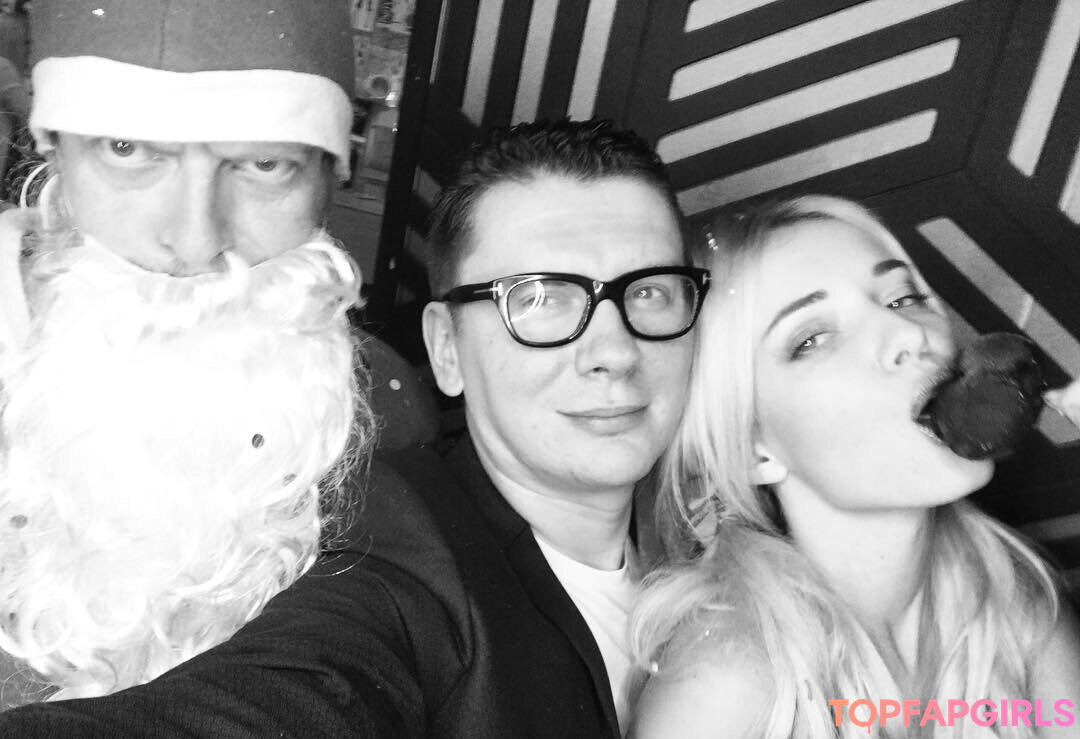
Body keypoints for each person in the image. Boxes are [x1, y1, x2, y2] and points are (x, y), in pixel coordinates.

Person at [0, 118, 708, 737]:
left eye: (648, 291)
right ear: (447, 349)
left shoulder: (709, 524)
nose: (613, 352)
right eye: (541, 297)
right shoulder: (400, 571)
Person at [0, 0, 374, 707]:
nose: (196, 243)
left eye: (264, 164)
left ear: (329, 177)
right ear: (55, 152)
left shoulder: (396, 422)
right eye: (127, 150)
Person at [628, 195, 1080, 738]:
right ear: (750, 449)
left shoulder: (1018, 608)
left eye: (903, 298)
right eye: (811, 339)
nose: (909, 334)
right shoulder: (724, 681)